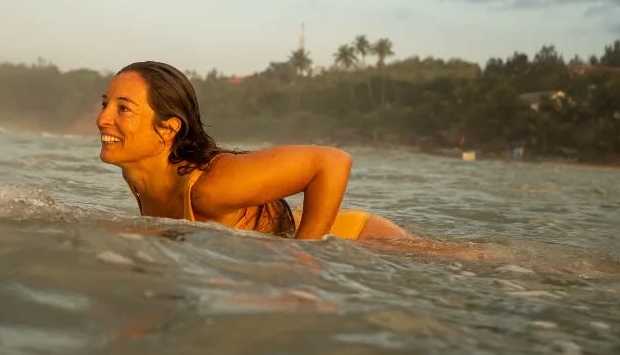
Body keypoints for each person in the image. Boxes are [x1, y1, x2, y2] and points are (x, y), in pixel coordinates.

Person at [96, 60, 408, 240]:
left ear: (168, 128)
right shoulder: (140, 176)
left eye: (124, 108)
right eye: (105, 104)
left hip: (361, 239)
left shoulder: (209, 187)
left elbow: (332, 161)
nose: (102, 119)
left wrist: (306, 259)